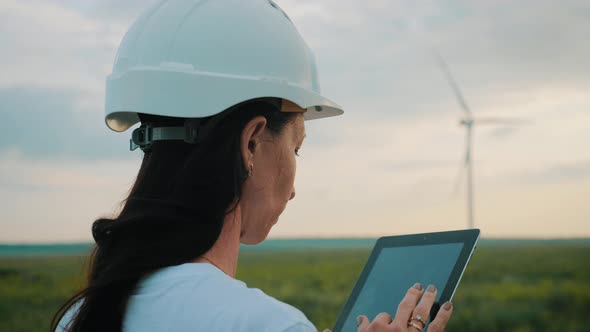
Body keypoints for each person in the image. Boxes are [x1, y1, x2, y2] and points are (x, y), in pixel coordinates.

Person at [52, 0, 454, 331]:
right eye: (296, 148)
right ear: (251, 142)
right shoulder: (265, 324)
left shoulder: (81, 314)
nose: (294, 188)